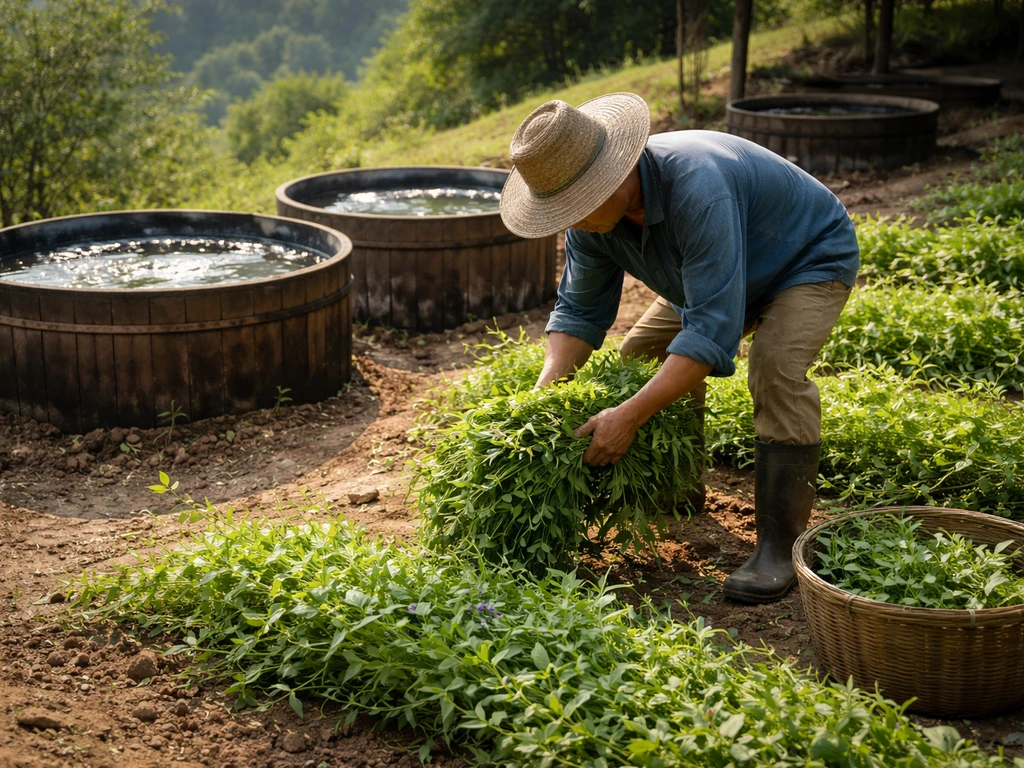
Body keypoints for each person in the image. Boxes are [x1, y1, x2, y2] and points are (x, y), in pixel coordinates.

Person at [498, 92, 859, 603]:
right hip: (712, 271)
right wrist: (541, 395)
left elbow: (711, 332)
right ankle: (680, 489)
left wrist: (629, 415)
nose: (571, 220)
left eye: (576, 207)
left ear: (616, 175)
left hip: (803, 257)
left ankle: (781, 546)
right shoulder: (590, 223)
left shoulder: (697, 188)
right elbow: (579, 313)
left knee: (775, 369)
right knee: (641, 353)